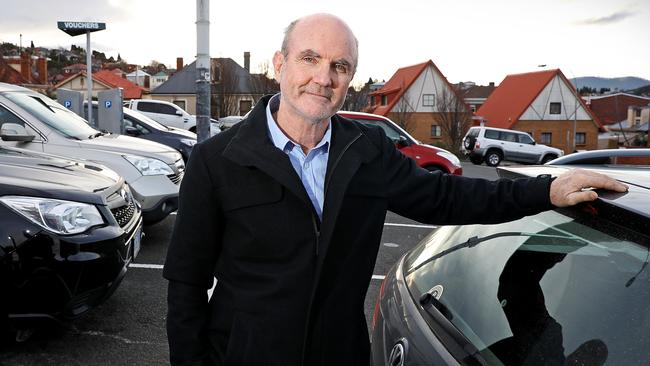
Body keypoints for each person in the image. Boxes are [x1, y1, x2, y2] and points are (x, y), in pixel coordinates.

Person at [163, 13, 627, 366]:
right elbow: (186, 284)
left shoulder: (366, 151)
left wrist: (545, 191)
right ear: (280, 64)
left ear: (351, 79)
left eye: (340, 66)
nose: (323, 78)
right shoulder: (217, 160)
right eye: (310, 59)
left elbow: (447, 196)